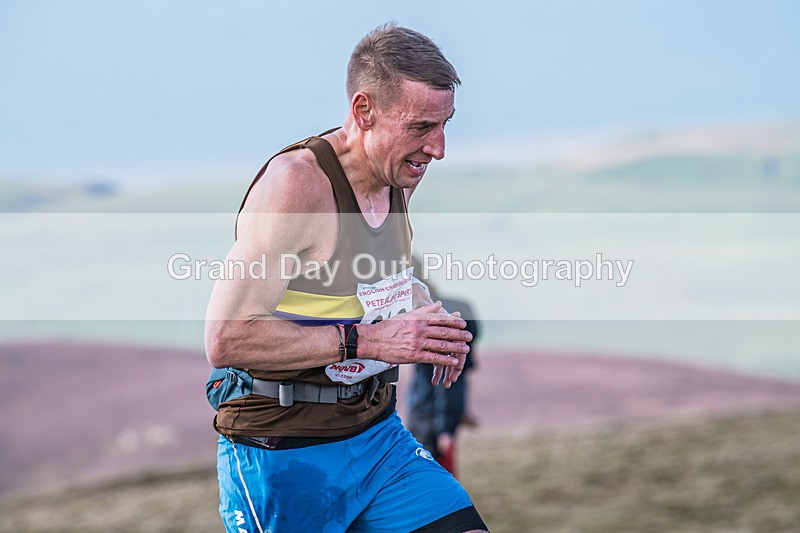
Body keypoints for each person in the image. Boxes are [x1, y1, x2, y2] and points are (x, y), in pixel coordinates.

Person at [204, 23, 489, 533]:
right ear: (364, 111)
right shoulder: (297, 187)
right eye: (421, 127)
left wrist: (430, 320)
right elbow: (227, 337)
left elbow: (380, 277)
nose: (439, 148)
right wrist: (374, 341)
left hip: (377, 439)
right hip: (283, 450)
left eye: (445, 124)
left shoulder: (398, 173)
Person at [406, 274, 479, 479]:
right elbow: (457, 378)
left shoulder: (431, 323)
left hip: (427, 418)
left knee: (426, 475)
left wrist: (444, 428)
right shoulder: (457, 311)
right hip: (432, 414)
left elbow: (446, 381)